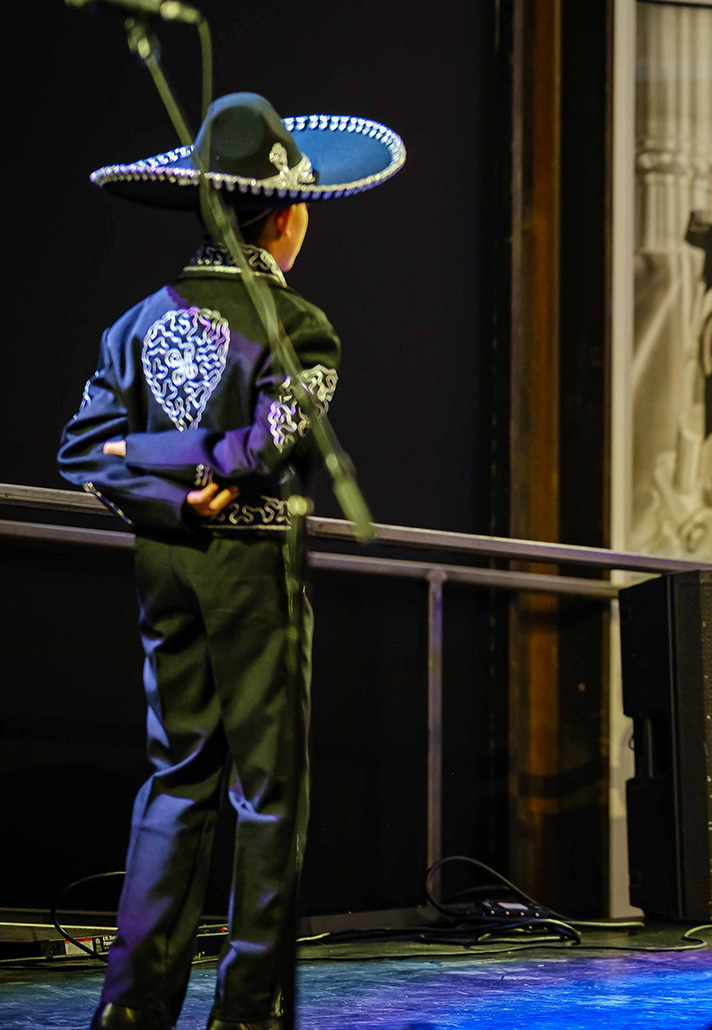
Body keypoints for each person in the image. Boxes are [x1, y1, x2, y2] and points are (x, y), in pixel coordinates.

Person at [57, 92, 405, 1030]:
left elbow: (86, 450)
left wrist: (162, 472)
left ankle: (131, 1011)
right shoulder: (302, 325)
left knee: (177, 777)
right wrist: (213, 468)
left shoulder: (134, 325)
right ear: (286, 218)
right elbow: (270, 440)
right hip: (252, 568)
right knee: (267, 790)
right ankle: (248, 1011)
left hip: (165, 567)